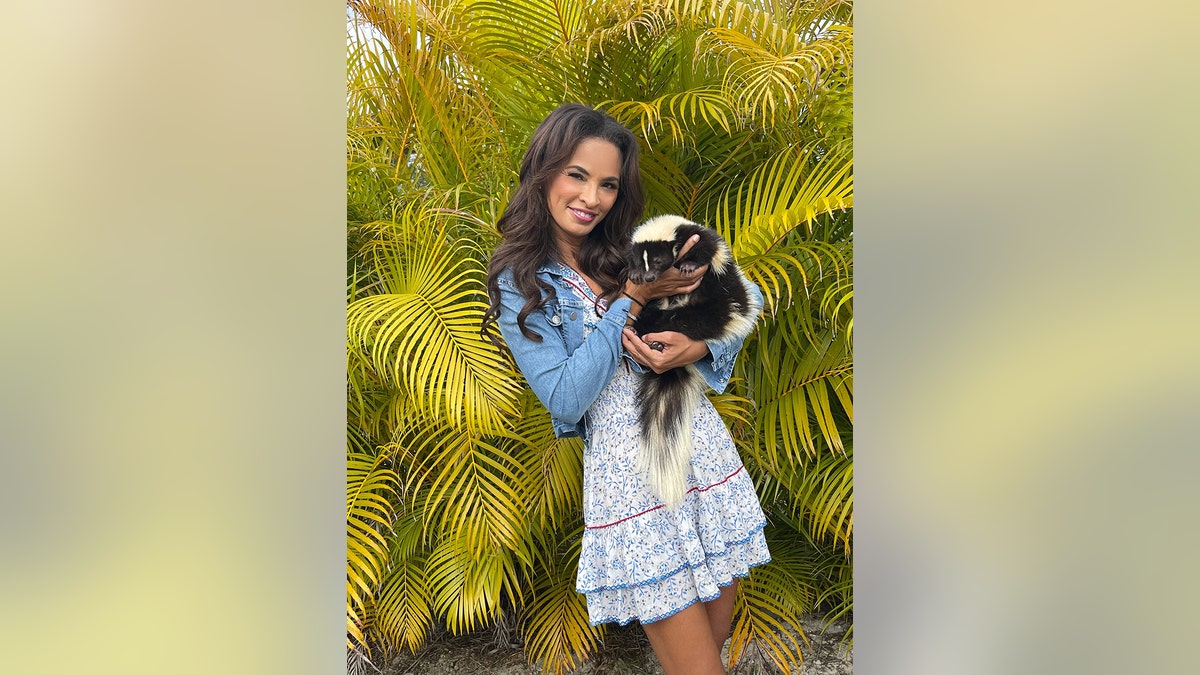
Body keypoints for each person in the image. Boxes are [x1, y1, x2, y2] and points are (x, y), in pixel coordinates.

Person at [482, 103, 770, 675]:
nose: (592, 196)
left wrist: (702, 347)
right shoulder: (522, 283)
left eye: (608, 184)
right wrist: (632, 302)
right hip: (633, 483)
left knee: (709, 653)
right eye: (577, 175)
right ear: (544, 172)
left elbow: (749, 296)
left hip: (701, 455)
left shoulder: (633, 250)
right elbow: (566, 397)